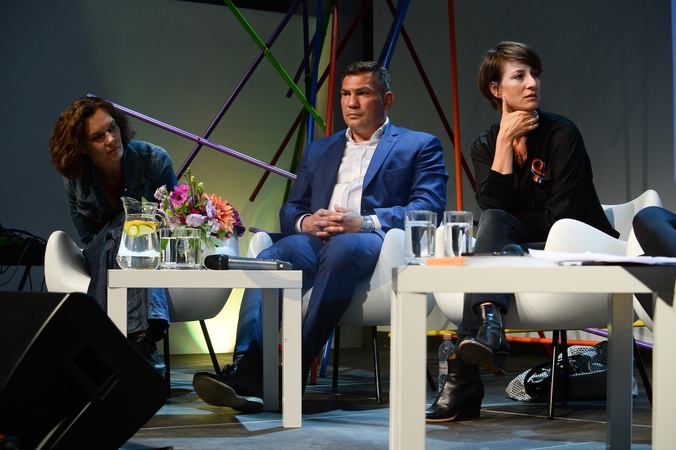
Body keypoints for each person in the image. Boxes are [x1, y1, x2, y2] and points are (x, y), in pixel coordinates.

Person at [192, 60, 449, 412]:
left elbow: (429, 206)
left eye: (363, 93)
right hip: (315, 240)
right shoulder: (319, 150)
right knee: (269, 259)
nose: (351, 103)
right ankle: (246, 368)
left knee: (342, 247)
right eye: (345, 94)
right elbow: (291, 207)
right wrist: (307, 221)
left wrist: (365, 222)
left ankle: (294, 367)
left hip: (376, 243)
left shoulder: (419, 145)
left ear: (387, 100)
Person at [425, 42, 619, 423]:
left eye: (534, 75)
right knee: (495, 223)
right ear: (496, 89)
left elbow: (563, 217)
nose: (532, 83)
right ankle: (490, 328)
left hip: (579, 245)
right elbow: (494, 208)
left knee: (493, 242)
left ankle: (466, 373)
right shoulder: (485, 146)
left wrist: (508, 249)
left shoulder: (562, 134)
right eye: (519, 76)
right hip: (528, 247)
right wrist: (503, 143)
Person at [49, 96, 178, 373]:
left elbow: (173, 226)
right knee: (123, 231)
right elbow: (88, 237)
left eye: (112, 128)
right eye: (98, 137)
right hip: (101, 254)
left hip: (153, 252)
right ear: (81, 147)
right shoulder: (75, 177)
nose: (111, 139)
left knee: (132, 228)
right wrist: (124, 230)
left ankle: (101, 345)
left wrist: (129, 231)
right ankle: (142, 339)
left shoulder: (155, 160)